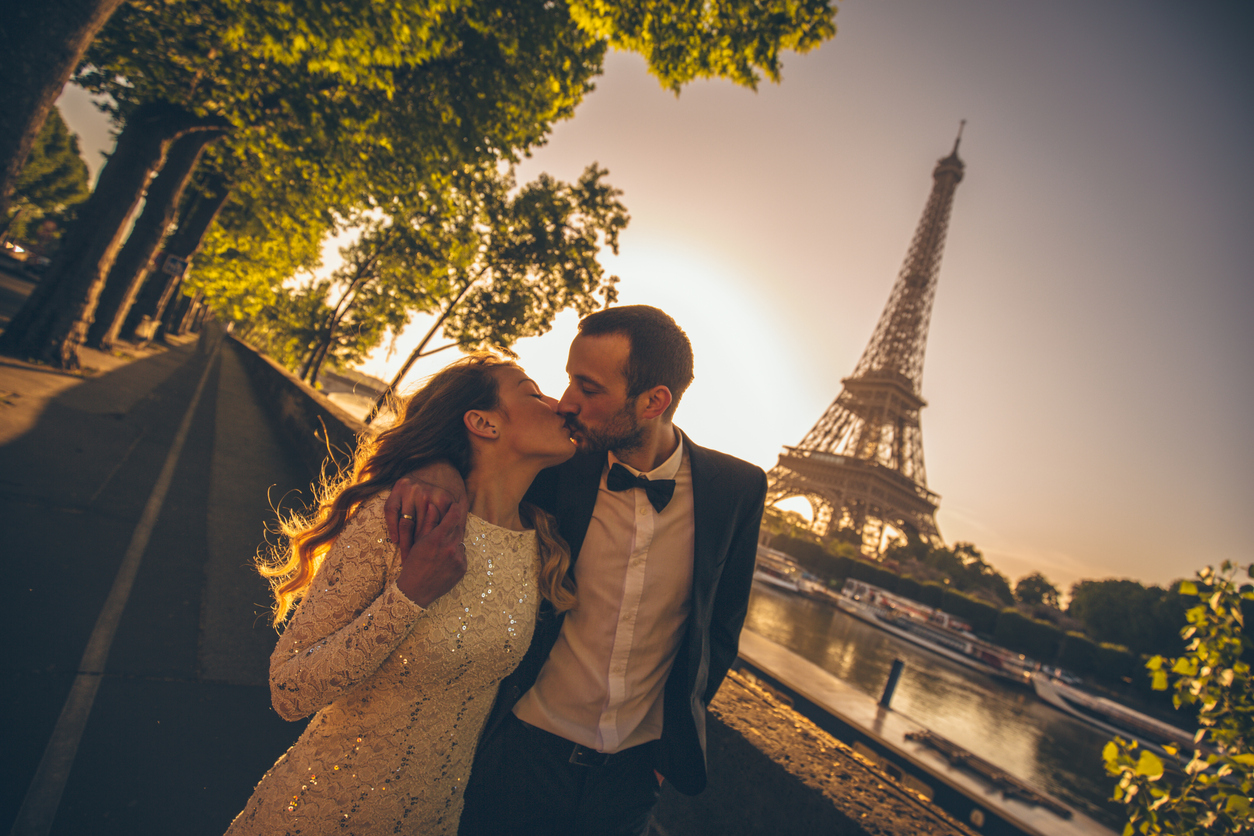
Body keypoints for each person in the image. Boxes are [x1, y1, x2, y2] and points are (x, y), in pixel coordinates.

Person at [386, 305, 768, 835]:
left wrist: (661, 755)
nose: (567, 402)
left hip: (631, 783)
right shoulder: (557, 464)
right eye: (569, 379)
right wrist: (438, 473)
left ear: (655, 401)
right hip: (518, 751)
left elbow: (721, 627)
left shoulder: (737, 489)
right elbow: (475, 450)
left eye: (588, 389)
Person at [225, 354, 577, 836]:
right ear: (483, 422)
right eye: (534, 392)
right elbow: (289, 689)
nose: (560, 405)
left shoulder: (542, 548)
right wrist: (409, 595)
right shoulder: (397, 519)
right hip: (317, 817)